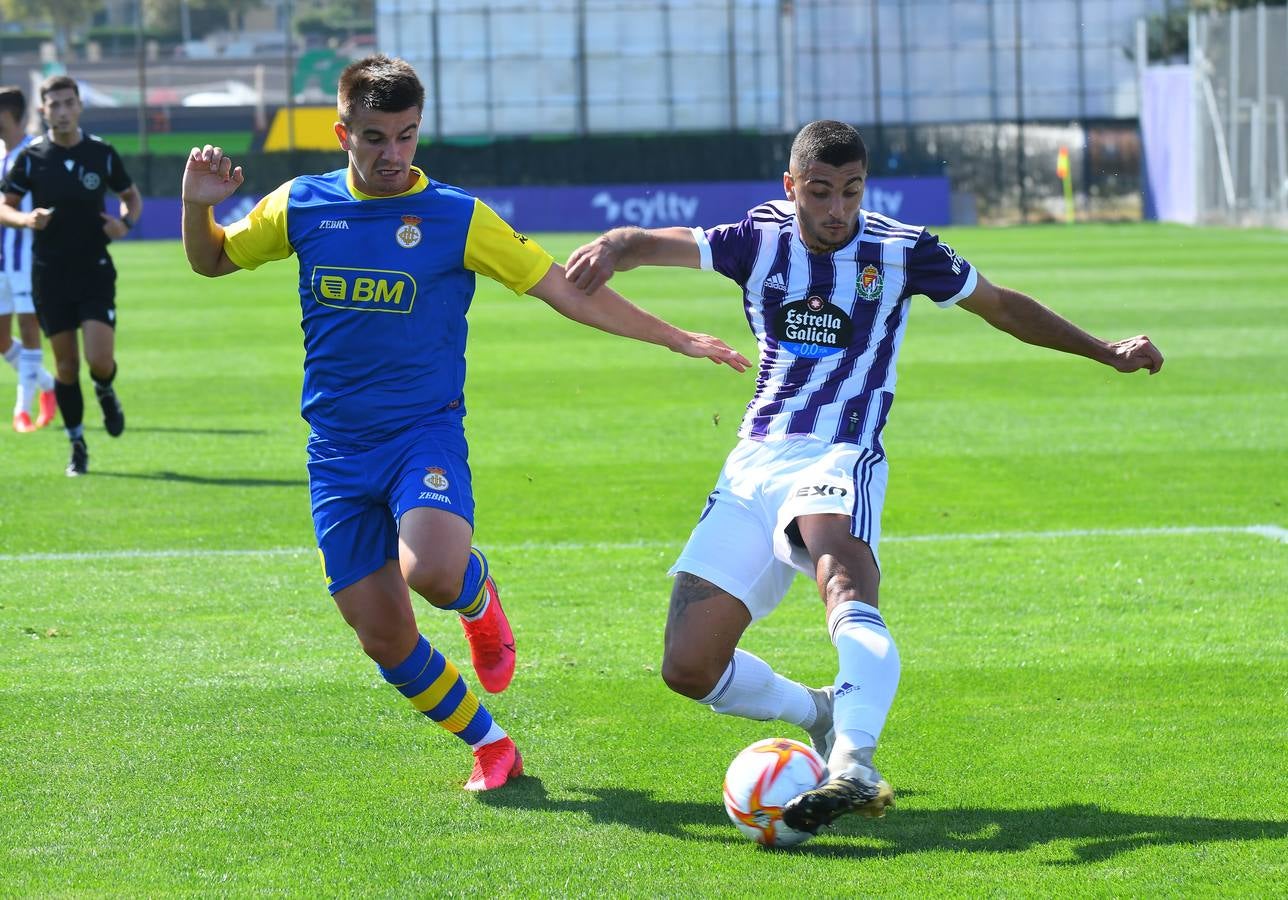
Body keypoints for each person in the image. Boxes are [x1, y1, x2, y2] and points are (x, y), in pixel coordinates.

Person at [565, 119, 1164, 832]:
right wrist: (613, 245)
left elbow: (1001, 305)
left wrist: (1106, 352)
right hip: (754, 459)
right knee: (688, 668)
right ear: (791, 188)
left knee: (841, 576)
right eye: (820, 192)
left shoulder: (903, 250)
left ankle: (854, 760)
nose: (837, 209)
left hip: (840, 450)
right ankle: (818, 711)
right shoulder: (757, 239)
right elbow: (652, 244)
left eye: (851, 191)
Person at [180, 55, 749, 792]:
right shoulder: (301, 205)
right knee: (384, 639)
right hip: (336, 454)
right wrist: (198, 207)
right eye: (375, 137)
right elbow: (212, 262)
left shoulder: (457, 216)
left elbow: (566, 292)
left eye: (407, 136)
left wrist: (675, 336)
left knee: (436, 574)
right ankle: (491, 743)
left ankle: (480, 599)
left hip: (423, 435)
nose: (393, 155)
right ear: (342, 131)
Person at [0, 75, 141, 474]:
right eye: (53, 105)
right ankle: (77, 443)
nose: (61, 111)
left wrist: (124, 224)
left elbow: (129, 196)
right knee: (65, 368)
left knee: (99, 360)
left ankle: (105, 388)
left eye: (68, 103)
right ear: (43, 111)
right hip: (49, 274)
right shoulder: (32, 159)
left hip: (94, 269)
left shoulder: (101, 154)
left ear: (78, 106)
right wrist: (27, 218)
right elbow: (3, 205)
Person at [0, 85, 59, 432]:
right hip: (2, 258)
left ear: (9, 115)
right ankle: (48, 385)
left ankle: (22, 409)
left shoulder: (36, 153)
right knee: (1, 337)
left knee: (29, 328)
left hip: (29, 258)